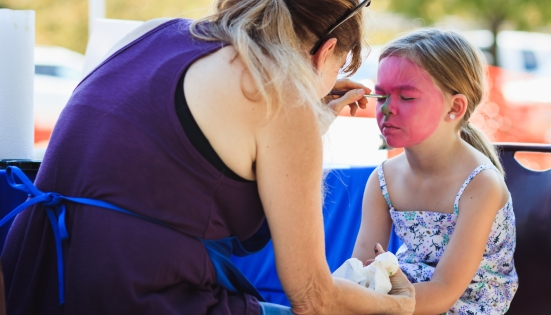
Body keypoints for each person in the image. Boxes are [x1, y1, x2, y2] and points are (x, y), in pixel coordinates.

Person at [1, 0, 416, 314]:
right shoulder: (284, 95)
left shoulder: (156, 31)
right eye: (339, 65)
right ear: (324, 52)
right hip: (131, 290)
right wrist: (401, 305)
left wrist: (313, 121)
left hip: (32, 268)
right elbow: (313, 295)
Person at [352, 29, 518, 315]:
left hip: (465, 303)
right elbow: (362, 269)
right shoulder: (382, 180)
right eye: (381, 96)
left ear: (454, 107)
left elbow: (444, 291)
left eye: (406, 97)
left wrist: (358, 301)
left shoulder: (480, 185)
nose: (388, 109)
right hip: (405, 294)